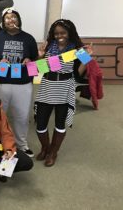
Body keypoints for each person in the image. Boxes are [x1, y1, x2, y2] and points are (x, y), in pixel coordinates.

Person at [34, 19, 93, 167]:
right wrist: (40, 56)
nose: (59, 35)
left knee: (60, 124)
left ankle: (53, 152)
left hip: (65, 88)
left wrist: (87, 58)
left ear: (69, 33)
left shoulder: (77, 50)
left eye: (63, 32)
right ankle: (45, 148)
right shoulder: (48, 47)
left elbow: (78, 75)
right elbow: (39, 69)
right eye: (56, 33)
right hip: (47, 87)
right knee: (40, 124)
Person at [0, 8, 38, 157]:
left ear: (19, 20)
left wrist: (30, 61)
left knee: (21, 116)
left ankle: (21, 144)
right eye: (7, 18)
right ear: (3, 22)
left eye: (14, 17)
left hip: (22, 84)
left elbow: (36, 63)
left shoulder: (28, 38)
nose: (10, 20)